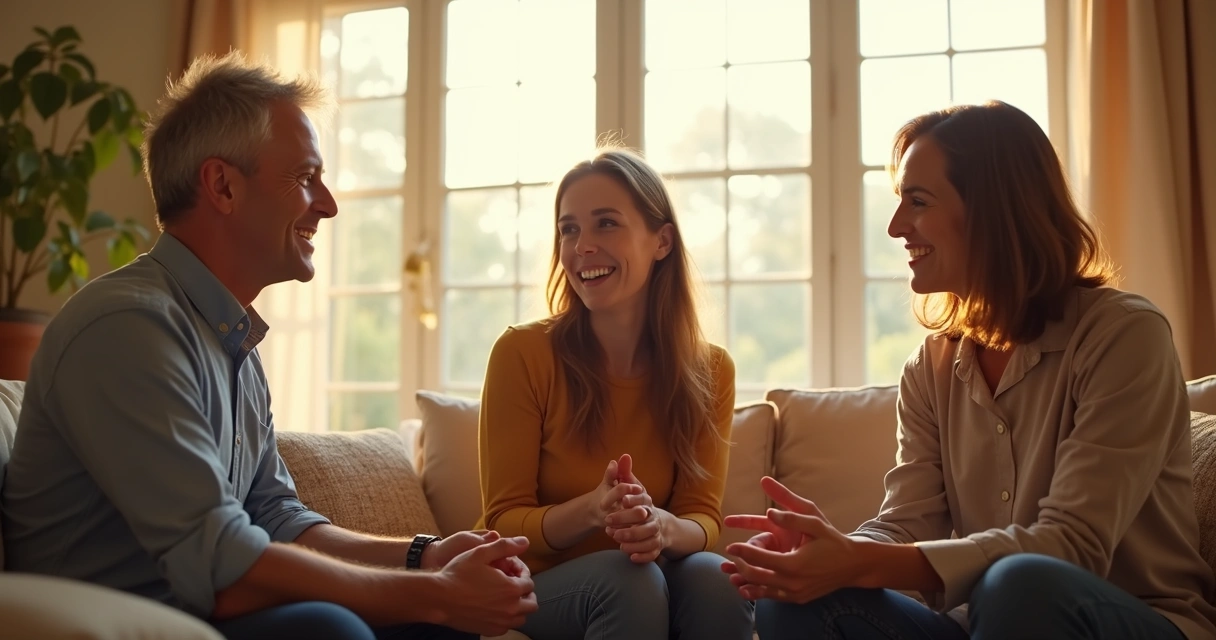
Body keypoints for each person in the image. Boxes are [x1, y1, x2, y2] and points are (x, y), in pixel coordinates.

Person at [0, 51, 537, 640]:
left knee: (428, 627)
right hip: (116, 620)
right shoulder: (127, 327)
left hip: (203, 608)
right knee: (334, 630)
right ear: (223, 186)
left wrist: (425, 559)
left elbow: (278, 518)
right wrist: (436, 595)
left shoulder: (232, 340)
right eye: (306, 178)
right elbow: (220, 563)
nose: (328, 204)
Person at [720, 100, 1216, 640]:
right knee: (795, 599)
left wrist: (860, 561)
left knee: (1020, 583)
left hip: (1125, 617)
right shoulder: (930, 366)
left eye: (917, 201)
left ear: (994, 209)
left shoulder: (1123, 336)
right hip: (983, 621)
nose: (894, 226)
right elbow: (909, 520)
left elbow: (1072, 545)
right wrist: (829, 553)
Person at [477, 147, 755, 639]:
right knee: (627, 579)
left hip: (649, 576)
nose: (582, 246)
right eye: (569, 228)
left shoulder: (711, 369)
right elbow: (503, 523)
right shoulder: (522, 353)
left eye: (606, 223)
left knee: (716, 578)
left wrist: (663, 527)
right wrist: (594, 509)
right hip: (535, 584)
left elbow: (703, 517)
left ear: (661, 241)